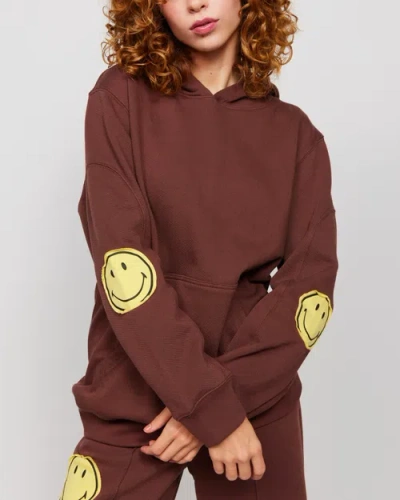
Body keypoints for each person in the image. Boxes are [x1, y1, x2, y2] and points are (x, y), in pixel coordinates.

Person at [59, 0, 338, 498]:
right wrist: (208, 406)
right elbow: (123, 261)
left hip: (254, 402)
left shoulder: (297, 135)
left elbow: (308, 289)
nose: (195, 3)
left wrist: (220, 407)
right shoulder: (119, 98)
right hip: (133, 396)